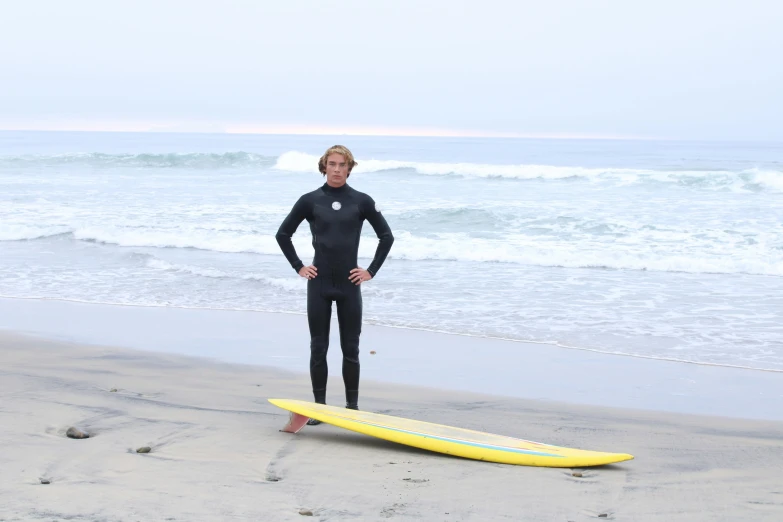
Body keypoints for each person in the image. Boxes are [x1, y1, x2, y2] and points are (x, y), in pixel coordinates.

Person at [275, 145, 394, 420]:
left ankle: (351, 408)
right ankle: (320, 407)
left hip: (349, 285)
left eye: (342, 165)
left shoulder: (361, 201)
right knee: (319, 347)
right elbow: (283, 234)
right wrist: (299, 266)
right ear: (324, 167)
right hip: (319, 284)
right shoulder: (310, 200)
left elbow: (386, 236)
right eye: (332, 164)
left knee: (350, 347)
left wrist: (370, 271)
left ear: (349, 168)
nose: (337, 169)